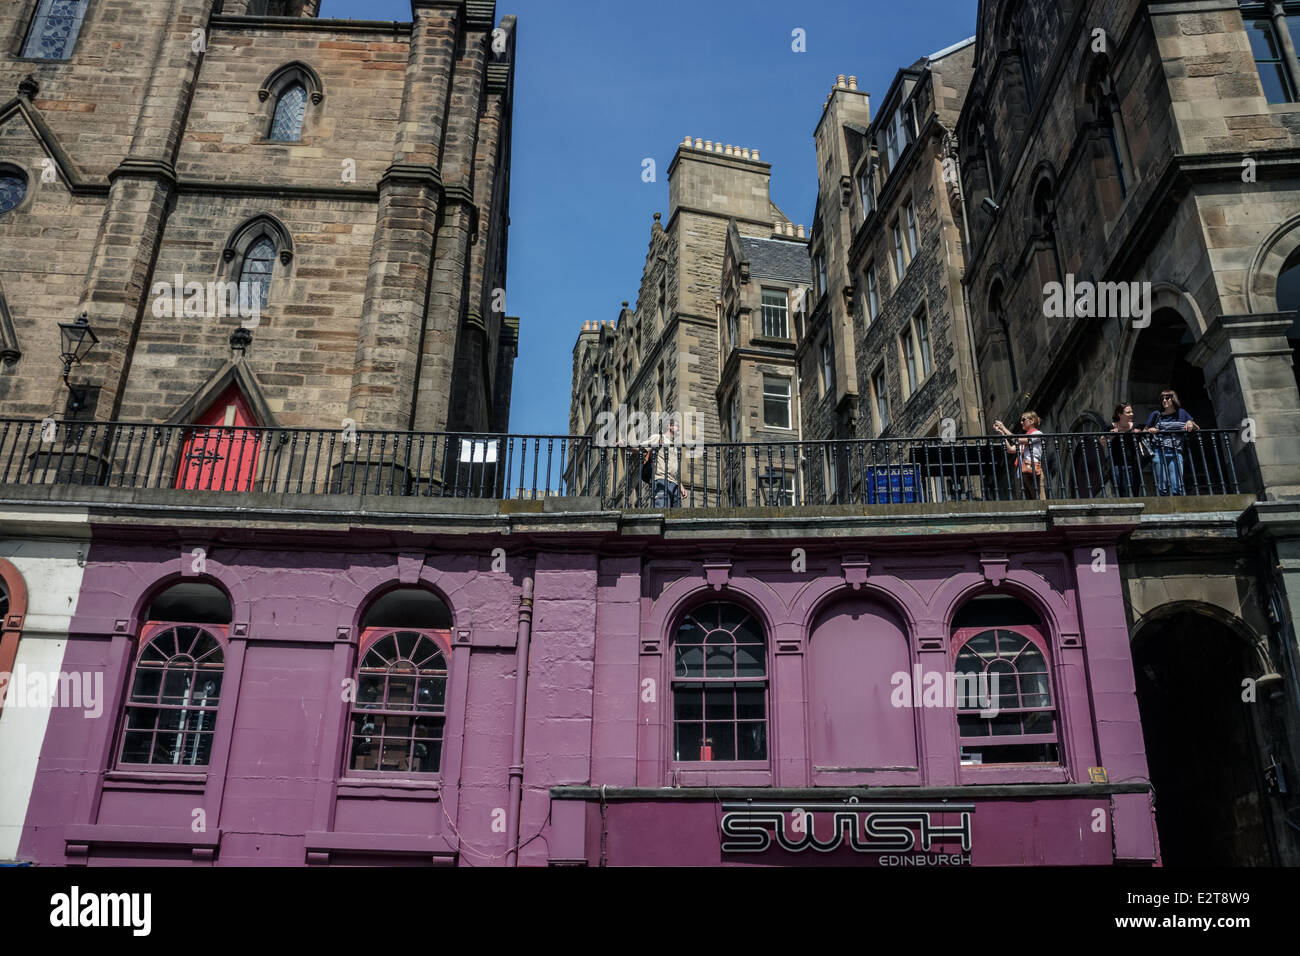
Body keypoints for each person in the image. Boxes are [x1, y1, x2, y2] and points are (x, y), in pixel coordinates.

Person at [1145, 389, 1197, 495]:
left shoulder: (1182, 413)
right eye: (1162, 398)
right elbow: (1144, 431)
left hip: (1176, 451)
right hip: (1158, 451)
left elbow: (1197, 427)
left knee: (1177, 486)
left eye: (1167, 398)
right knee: (1162, 486)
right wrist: (1150, 430)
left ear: (1173, 399)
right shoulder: (1156, 414)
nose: (1164, 400)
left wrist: (1190, 422)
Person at [993, 411, 1047, 500]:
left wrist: (1003, 427)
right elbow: (1010, 450)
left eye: (1023, 420)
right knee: (1026, 502)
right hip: (1022, 473)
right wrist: (1001, 434)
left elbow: (1015, 439)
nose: (1021, 422)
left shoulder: (1037, 434)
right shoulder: (1024, 438)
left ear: (1032, 421)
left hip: (1032, 469)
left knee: (1039, 499)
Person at [641, 413, 684, 508]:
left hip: (675, 484)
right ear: (669, 426)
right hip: (661, 480)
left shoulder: (675, 446)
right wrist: (625, 445)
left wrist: (681, 485)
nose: (679, 429)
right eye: (677, 426)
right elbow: (641, 447)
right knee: (661, 511)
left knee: (675, 518)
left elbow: (674, 467)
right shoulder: (659, 438)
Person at [1106, 401, 1144, 497]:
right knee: (1121, 493)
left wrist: (1140, 433)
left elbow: (1146, 433)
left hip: (1133, 465)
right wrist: (1113, 434)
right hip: (1117, 466)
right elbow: (1102, 441)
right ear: (1120, 414)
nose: (1132, 414)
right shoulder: (1111, 427)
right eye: (1128, 412)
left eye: (1131, 411)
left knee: (1134, 493)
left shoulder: (1136, 426)